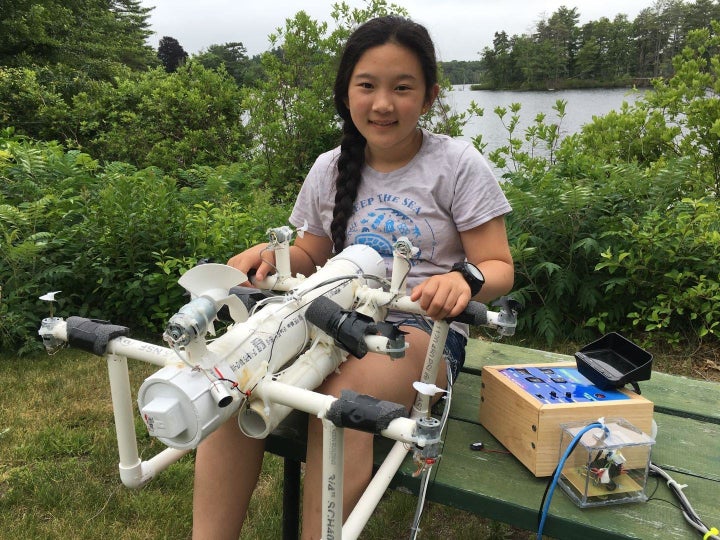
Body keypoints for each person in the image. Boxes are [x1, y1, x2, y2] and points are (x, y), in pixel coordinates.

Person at [192, 15, 514, 539]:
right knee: (234, 376)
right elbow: (310, 251)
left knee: (344, 395)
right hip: (329, 312)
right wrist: (271, 257)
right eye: (367, 86)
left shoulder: (457, 165)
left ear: (429, 97)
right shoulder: (329, 167)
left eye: (402, 87)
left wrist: (465, 280)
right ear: (346, 93)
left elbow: (500, 267)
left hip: (421, 333)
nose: (383, 104)